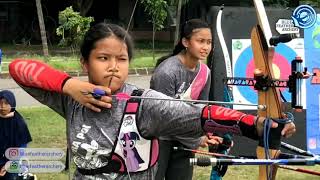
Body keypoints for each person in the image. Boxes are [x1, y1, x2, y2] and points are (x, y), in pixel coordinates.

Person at [8, 22, 296, 180]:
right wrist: (68, 85)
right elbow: (17, 69)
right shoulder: (71, 98)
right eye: (102, 58)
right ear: (85, 62)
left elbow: (199, 113)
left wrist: (257, 125)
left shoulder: (144, 103)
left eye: (121, 59)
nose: (113, 66)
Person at [150, 19, 222, 180]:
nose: (205, 47)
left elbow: (200, 110)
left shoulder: (205, 71)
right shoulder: (167, 72)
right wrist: (197, 138)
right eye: (200, 41)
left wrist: (207, 133)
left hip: (185, 139)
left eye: (209, 42)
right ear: (185, 42)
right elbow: (164, 118)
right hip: (159, 138)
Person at [0, 90, 32, 180]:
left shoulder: (19, 123)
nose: (2, 106)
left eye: (6, 103)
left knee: (12, 176)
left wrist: (6, 166)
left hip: (14, 161)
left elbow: (21, 150)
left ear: (12, 103)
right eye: (0, 103)